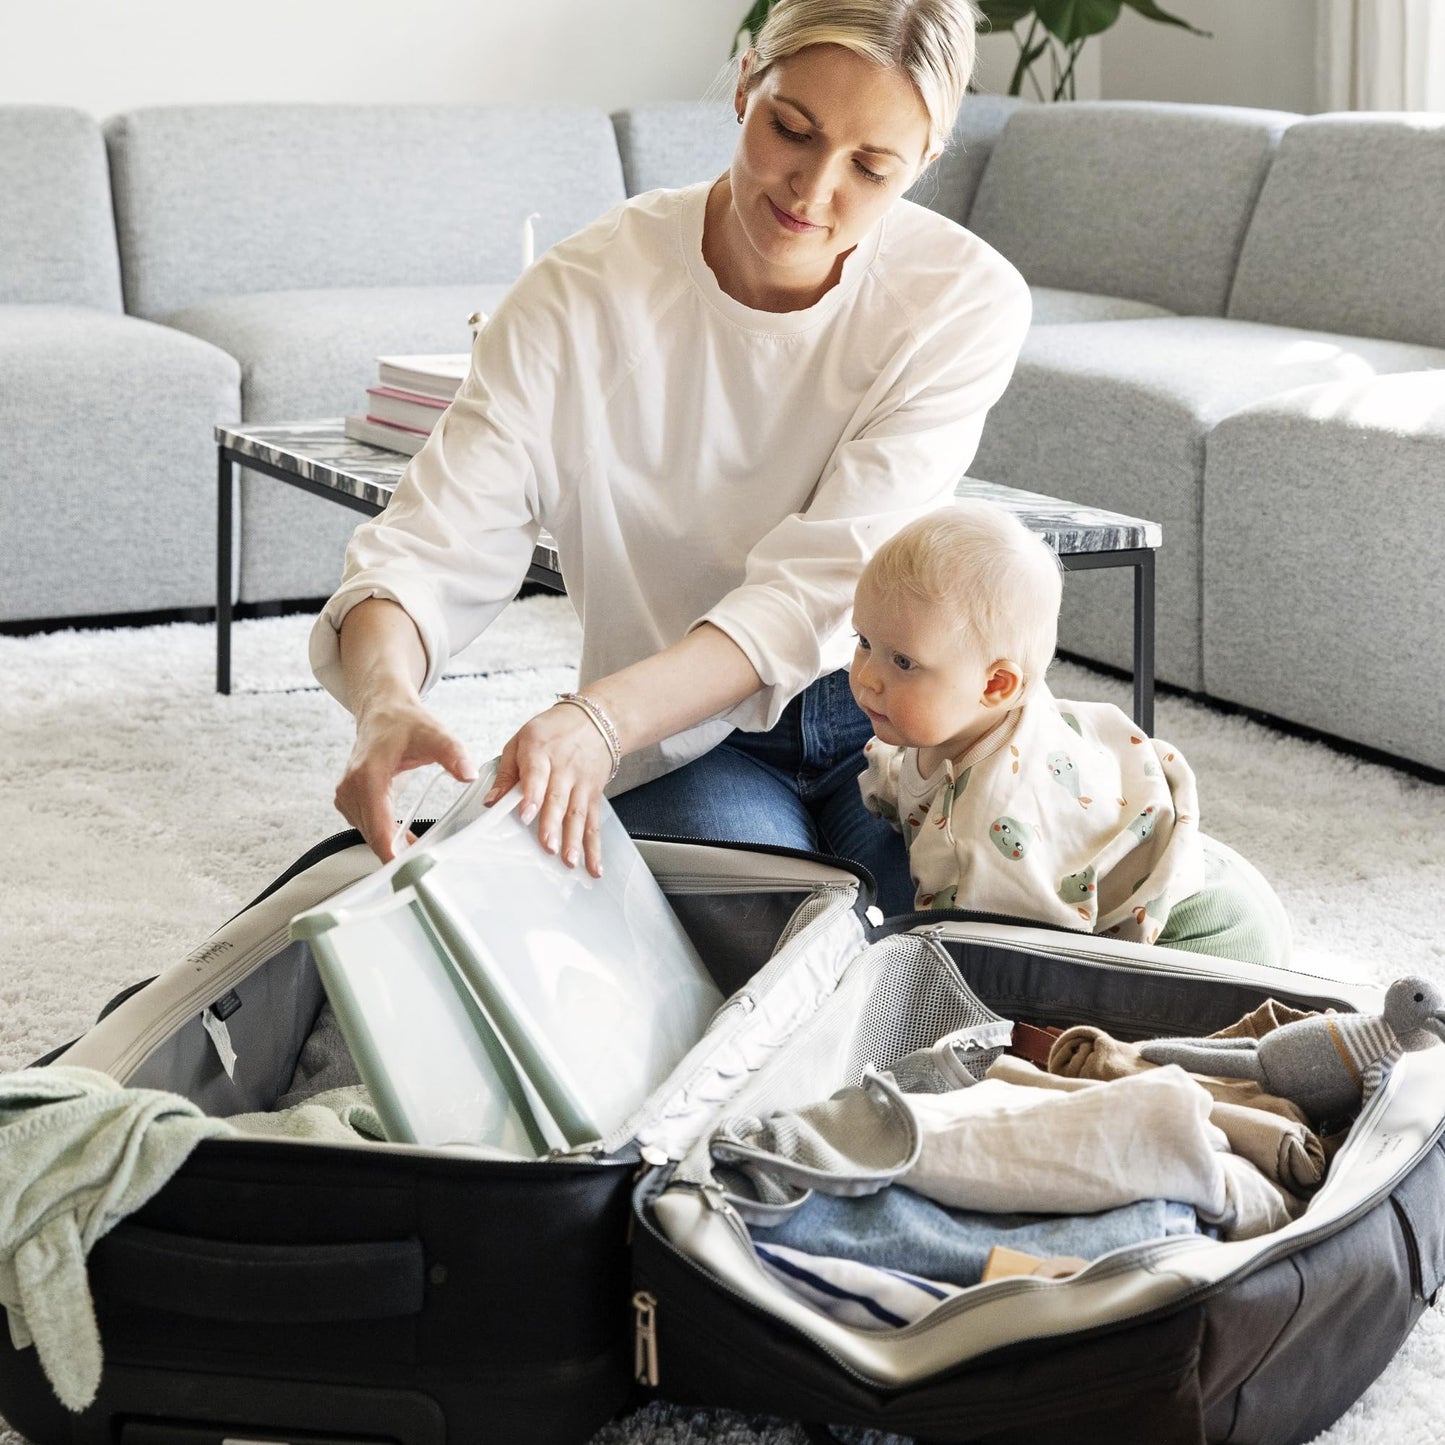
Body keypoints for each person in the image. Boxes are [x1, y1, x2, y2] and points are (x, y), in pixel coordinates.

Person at [310, 0, 1031, 918]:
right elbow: (432, 539)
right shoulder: (585, 293)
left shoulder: (962, 300)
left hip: (899, 723)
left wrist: (593, 720)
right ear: (743, 82)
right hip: (685, 736)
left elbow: (816, 588)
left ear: (924, 163)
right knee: (772, 941)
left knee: (970, 943)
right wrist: (383, 698)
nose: (812, 190)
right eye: (792, 129)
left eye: (870, 166)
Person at [851, 503, 1293, 964]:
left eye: (903, 662)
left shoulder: (986, 837)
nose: (866, 677)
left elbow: (1008, 967)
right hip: (1207, 870)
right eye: (863, 642)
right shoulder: (987, 715)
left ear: (996, 685)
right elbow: (914, 782)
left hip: (1203, 936)